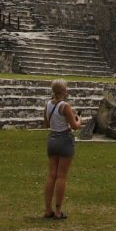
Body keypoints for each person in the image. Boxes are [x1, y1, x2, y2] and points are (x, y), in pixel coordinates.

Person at [42, 79, 79, 219]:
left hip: (52, 139)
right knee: (61, 176)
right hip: (64, 139)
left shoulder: (48, 105)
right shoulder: (65, 106)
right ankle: (58, 211)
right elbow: (74, 126)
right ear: (63, 91)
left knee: (51, 175)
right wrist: (79, 120)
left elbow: (46, 124)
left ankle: (47, 209)